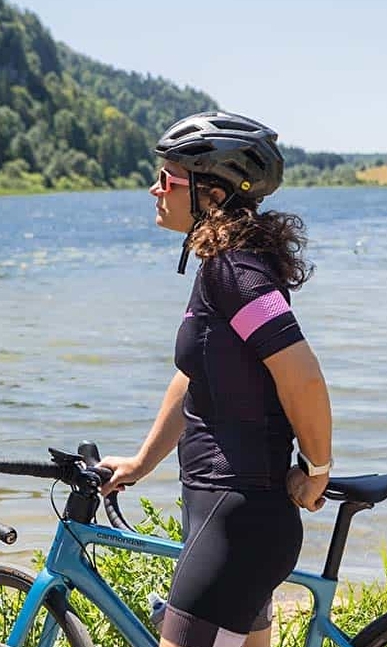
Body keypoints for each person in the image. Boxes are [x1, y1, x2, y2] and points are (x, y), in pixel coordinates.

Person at [99, 111, 334, 647]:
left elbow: (302, 376)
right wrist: (140, 463)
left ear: (210, 194)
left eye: (169, 179)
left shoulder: (235, 271)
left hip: (236, 519)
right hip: (230, 517)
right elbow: (195, 378)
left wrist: (318, 468)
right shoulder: (222, 265)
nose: (155, 189)